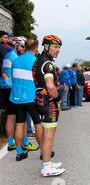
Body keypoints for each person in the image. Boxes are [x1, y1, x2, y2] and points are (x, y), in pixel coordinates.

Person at [33, 35, 65, 177]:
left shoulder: (40, 60)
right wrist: (57, 100)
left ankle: (47, 162)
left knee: (46, 134)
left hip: (40, 99)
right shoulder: (48, 64)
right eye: (55, 47)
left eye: (59, 47)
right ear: (46, 47)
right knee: (49, 136)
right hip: (48, 102)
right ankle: (46, 167)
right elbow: (51, 86)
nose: (58, 50)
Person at [1, 36, 38, 152]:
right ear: (17, 46)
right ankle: (25, 143)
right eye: (22, 47)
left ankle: (12, 143)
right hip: (13, 88)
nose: (23, 49)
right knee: (20, 118)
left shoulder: (9, 56)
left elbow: (5, 73)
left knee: (12, 116)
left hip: (6, 87)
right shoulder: (14, 57)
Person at [9, 39, 43, 162]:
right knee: (38, 123)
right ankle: (44, 151)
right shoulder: (36, 61)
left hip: (17, 97)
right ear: (36, 48)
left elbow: (13, 79)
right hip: (31, 97)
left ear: (25, 47)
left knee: (19, 123)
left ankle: (19, 152)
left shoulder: (15, 60)